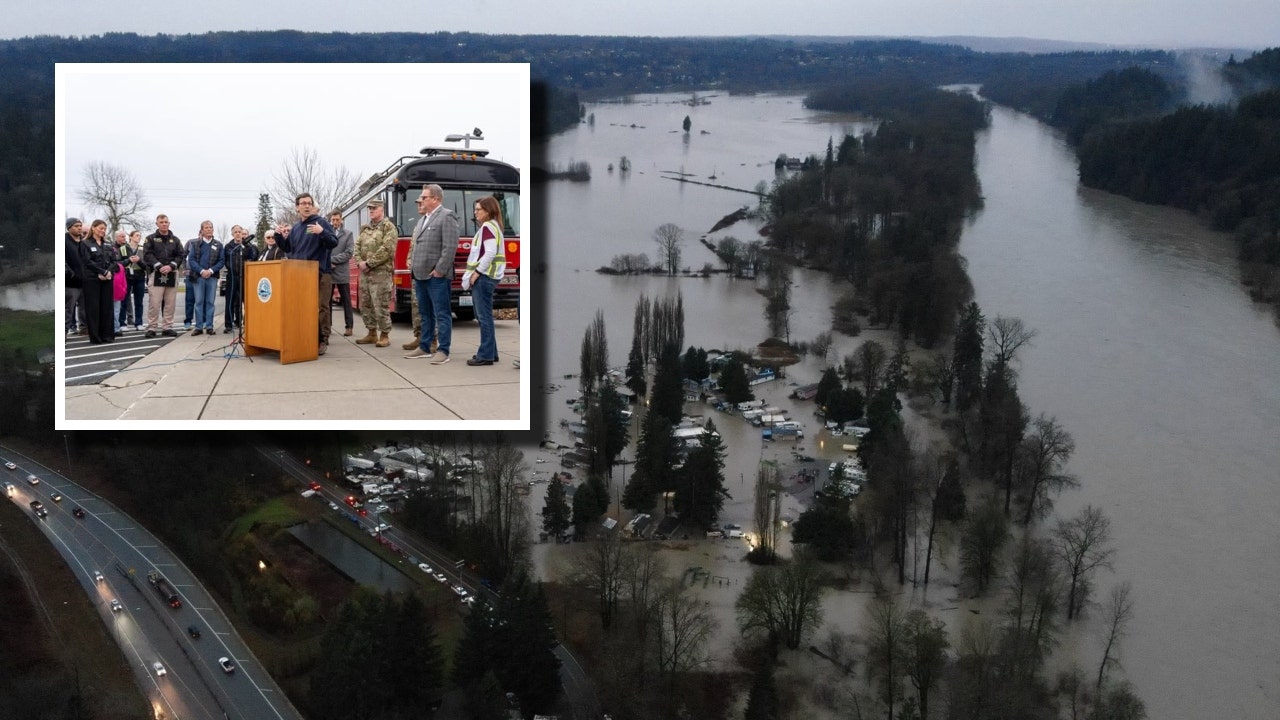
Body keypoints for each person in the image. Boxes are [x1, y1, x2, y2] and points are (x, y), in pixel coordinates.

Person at [275, 192, 337, 355]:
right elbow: (288, 248)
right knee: (303, 308)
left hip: (320, 273)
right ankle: (304, 335)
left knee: (321, 307)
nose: (307, 206)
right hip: (299, 275)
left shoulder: (320, 222)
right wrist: (278, 235)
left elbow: (333, 242)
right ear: (297, 208)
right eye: (303, 203)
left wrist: (321, 232)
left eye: (309, 203)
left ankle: (323, 339)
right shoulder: (296, 228)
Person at [404, 184, 456, 363]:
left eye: (424, 197)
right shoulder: (422, 220)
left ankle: (443, 350)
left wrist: (440, 270)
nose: (421, 200)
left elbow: (450, 247)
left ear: (435, 199)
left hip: (437, 277)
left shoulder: (446, 216)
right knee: (425, 313)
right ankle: (424, 346)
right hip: (419, 275)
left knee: (442, 313)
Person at [462, 195, 508, 366]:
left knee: (483, 317)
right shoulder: (494, 226)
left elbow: (489, 253)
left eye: (478, 210)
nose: (475, 213)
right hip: (489, 276)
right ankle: (491, 352)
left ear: (488, 211)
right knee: (485, 316)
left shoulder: (488, 227)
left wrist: (476, 273)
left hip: (484, 276)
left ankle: (486, 355)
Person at [353, 199, 397, 347]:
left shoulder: (388, 227)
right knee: (366, 304)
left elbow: (387, 249)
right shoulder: (365, 229)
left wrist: (369, 263)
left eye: (374, 208)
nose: (371, 210)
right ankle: (371, 333)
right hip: (365, 274)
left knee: (381, 304)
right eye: (369, 208)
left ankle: (384, 335)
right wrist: (359, 262)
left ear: (381, 209)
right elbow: (357, 246)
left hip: (381, 273)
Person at [143, 213, 184, 338]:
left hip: (171, 273)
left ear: (169, 223)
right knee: (154, 302)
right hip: (156, 274)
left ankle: (167, 327)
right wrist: (159, 266)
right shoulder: (150, 239)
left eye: (166, 222)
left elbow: (180, 255)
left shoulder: (175, 240)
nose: (164, 224)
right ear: (157, 224)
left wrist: (171, 266)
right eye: (161, 222)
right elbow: (147, 255)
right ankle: (152, 327)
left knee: (170, 303)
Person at [78, 220, 116, 344]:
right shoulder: (85, 244)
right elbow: (87, 262)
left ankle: (107, 335)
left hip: (107, 279)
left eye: (104, 228)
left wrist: (108, 272)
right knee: (94, 308)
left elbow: (114, 261)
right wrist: (101, 272)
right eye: (100, 228)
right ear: (93, 228)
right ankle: (95, 336)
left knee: (107, 307)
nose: (103, 230)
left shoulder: (108, 245)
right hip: (92, 280)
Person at [186, 221, 223, 336]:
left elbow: (221, 261)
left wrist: (210, 271)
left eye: (211, 227)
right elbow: (191, 260)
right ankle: (198, 327)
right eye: (206, 228)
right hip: (199, 277)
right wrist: (201, 271)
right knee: (199, 302)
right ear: (202, 230)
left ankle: (209, 326)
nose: (209, 229)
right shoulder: (195, 244)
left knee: (210, 302)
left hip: (212, 277)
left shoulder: (218, 245)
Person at [222, 225, 259, 334]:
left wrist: (248, 246)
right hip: (232, 276)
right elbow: (225, 260)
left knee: (246, 300)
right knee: (230, 301)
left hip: (245, 275)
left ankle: (248, 322)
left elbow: (253, 256)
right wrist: (231, 268)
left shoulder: (247, 245)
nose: (238, 234)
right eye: (236, 232)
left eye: (239, 232)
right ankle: (228, 325)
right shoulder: (228, 246)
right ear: (232, 234)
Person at [328, 211, 355, 337]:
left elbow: (349, 252)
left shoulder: (348, 234)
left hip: (342, 271)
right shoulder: (327, 233)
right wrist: (328, 262)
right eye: (333, 220)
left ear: (341, 219)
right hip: (329, 271)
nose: (335, 222)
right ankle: (328, 326)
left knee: (346, 301)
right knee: (327, 301)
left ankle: (349, 326)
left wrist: (333, 260)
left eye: (337, 220)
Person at [64, 218, 86, 336]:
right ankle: (63, 331)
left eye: (80, 225)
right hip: (70, 282)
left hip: (84, 281)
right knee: (68, 309)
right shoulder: (64, 241)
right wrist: (70, 274)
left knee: (84, 308)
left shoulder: (83, 242)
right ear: (69, 227)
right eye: (76, 226)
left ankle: (83, 328)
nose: (79, 228)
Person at [122, 230, 147, 331]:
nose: (139, 237)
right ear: (131, 237)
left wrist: (139, 261)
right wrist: (129, 260)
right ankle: (122, 323)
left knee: (139, 301)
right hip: (127, 276)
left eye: (140, 236)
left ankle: (139, 322)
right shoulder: (123, 248)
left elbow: (146, 266)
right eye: (137, 235)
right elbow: (119, 263)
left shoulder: (142, 249)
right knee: (124, 300)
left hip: (139, 276)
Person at [182, 234, 198, 330]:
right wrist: (184, 268)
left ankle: (203, 321)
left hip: (203, 274)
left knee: (202, 301)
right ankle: (188, 321)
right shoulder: (191, 242)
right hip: (190, 274)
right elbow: (183, 255)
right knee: (189, 299)